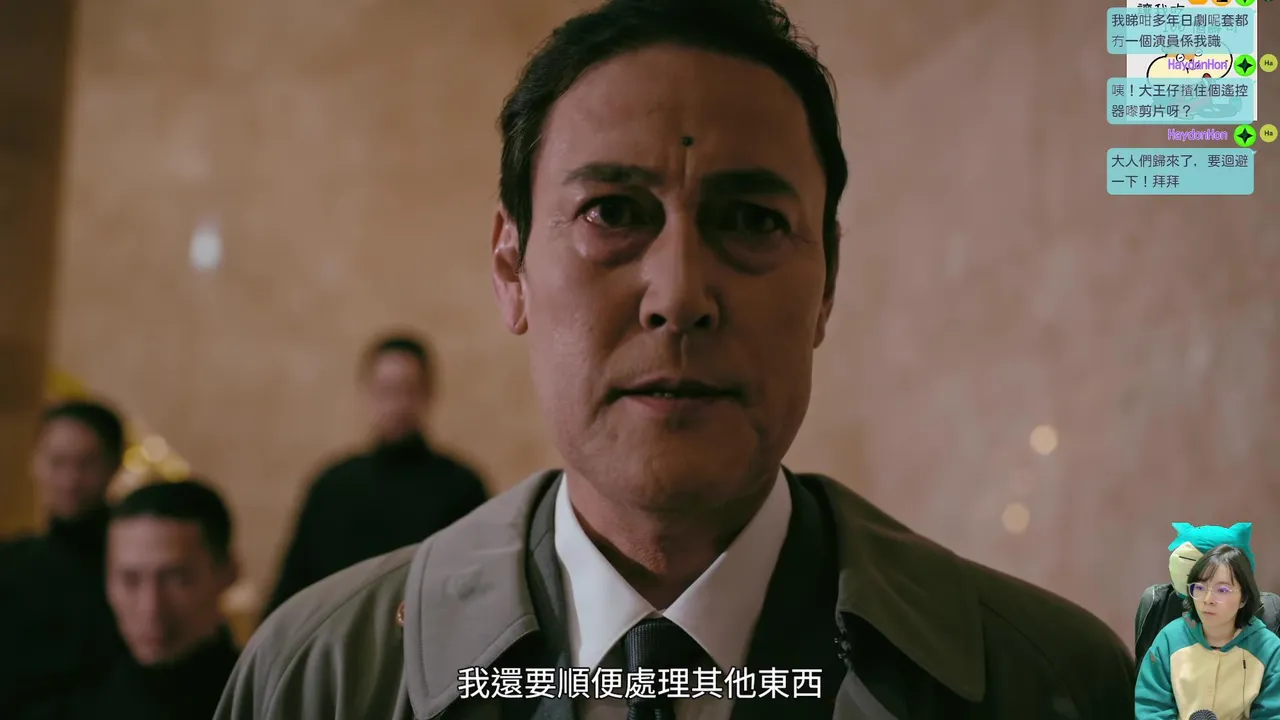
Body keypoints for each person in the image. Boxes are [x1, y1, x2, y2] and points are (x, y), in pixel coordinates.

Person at [216, 1, 1135, 717]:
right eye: (612, 213)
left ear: (826, 282)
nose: (681, 294)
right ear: (511, 270)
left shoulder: (1049, 685)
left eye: (752, 221)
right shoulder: (319, 679)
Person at [262, 332, 488, 617]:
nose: (397, 404)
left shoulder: (461, 488)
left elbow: (481, 587)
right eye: (386, 391)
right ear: (367, 393)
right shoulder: (332, 487)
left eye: (408, 390)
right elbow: (292, 591)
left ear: (428, 393)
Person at [29, 479, 241, 720]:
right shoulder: (68, 708)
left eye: (177, 579)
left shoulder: (263, 703)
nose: (151, 608)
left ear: (228, 573)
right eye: (130, 580)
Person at [0, 400, 128, 718]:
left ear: (115, 465)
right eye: (57, 462)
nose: (70, 480)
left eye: (87, 463)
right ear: (34, 464)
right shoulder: (11, 561)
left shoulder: (134, 566)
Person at [1136, 543, 1280, 718]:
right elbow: (1152, 707)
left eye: (1222, 590)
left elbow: (1273, 713)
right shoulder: (1169, 639)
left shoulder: (1270, 649)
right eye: (1199, 588)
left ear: (1243, 598)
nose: (1208, 599)